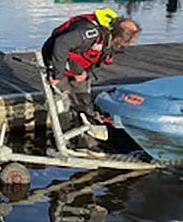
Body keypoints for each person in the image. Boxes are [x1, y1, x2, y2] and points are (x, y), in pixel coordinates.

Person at [41, 9, 141, 153]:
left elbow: (93, 57)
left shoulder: (108, 39)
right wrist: (57, 74)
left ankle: (89, 141)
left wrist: (81, 72)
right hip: (57, 59)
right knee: (63, 102)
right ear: (119, 37)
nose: (127, 46)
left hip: (77, 64)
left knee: (84, 101)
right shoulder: (90, 33)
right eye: (127, 42)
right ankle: (65, 140)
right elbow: (61, 44)